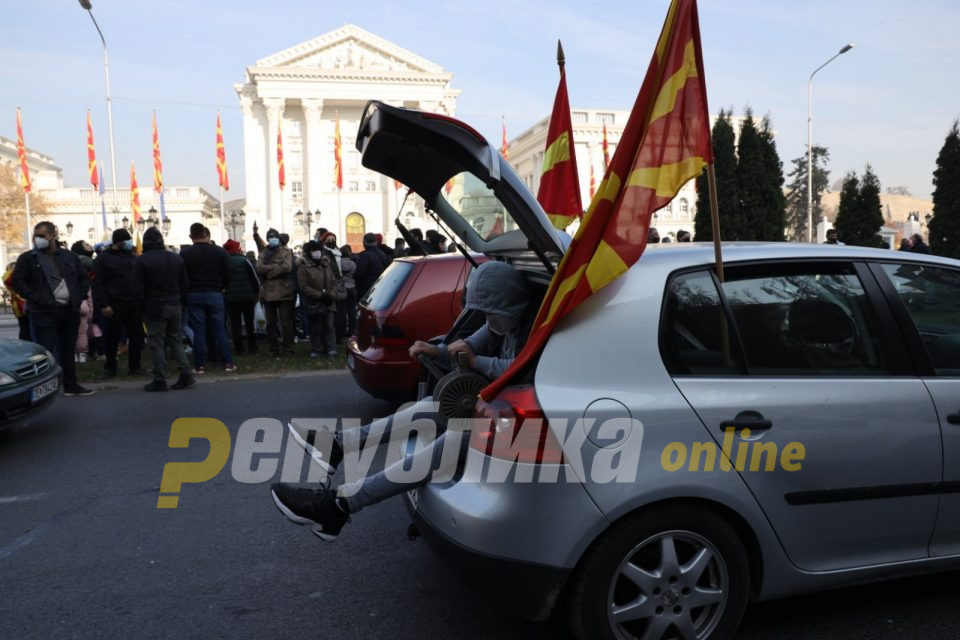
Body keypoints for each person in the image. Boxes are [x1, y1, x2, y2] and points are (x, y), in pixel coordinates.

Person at [271, 260, 531, 541]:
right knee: (431, 405)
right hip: (493, 409)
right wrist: (435, 351)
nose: (488, 319)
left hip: (512, 425)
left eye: (491, 312)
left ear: (507, 303)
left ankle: (339, 505)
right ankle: (339, 444)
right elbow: (466, 349)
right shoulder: (500, 321)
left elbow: (519, 366)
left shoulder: (533, 328)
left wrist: (476, 360)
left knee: (458, 435)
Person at [11, 221, 94, 396]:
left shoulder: (69, 257)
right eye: (35, 236)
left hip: (69, 311)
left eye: (41, 236)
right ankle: (44, 389)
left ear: (53, 236)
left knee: (67, 349)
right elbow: (17, 281)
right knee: (44, 351)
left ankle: (71, 385)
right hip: (42, 312)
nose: (37, 240)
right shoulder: (28, 258)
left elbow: (83, 278)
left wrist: (78, 296)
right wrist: (36, 297)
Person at [135, 227, 194, 392]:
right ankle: (185, 372)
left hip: (154, 306)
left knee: (156, 343)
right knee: (175, 339)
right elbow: (185, 284)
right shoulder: (176, 258)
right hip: (175, 304)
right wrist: (180, 302)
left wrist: (142, 308)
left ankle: (160, 378)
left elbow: (138, 289)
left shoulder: (142, 260)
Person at [181, 223, 234, 374]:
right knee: (219, 329)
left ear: (191, 236)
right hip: (215, 293)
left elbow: (182, 276)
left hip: (194, 293)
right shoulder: (220, 252)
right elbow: (229, 273)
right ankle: (228, 363)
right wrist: (223, 287)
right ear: (206, 234)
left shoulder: (185, 253)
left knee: (198, 331)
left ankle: (199, 365)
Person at [92, 229, 143, 377]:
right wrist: (104, 304)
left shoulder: (132, 257)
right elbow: (97, 284)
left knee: (136, 336)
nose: (129, 243)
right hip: (113, 305)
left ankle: (135, 367)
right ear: (119, 242)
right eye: (127, 241)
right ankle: (110, 367)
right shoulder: (103, 259)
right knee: (112, 338)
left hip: (132, 304)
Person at [257, 227, 296, 358]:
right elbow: (259, 267)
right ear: (268, 239)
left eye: (274, 237)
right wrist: (276, 268)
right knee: (271, 323)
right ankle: (273, 349)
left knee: (286, 323)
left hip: (284, 291)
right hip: (268, 293)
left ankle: (288, 348)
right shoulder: (263, 252)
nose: (272, 239)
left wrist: (270, 272)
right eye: (270, 237)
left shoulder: (286, 252)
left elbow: (287, 267)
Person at [297, 241, 338, 358]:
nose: (317, 253)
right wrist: (319, 296)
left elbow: (334, 282)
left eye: (319, 250)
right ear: (309, 252)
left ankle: (331, 349)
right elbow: (303, 286)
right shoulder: (303, 267)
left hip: (329, 301)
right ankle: (317, 349)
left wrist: (331, 295)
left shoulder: (326, 264)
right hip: (314, 302)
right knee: (316, 327)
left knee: (329, 326)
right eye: (314, 251)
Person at [223, 239, 260, 355]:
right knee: (249, 323)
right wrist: (257, 292)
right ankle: (252, 346)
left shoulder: (225, 262)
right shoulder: (245, 260)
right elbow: (254, 278)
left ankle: (239, 348)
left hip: (231, 299)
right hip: (248, 297)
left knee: (235, 324)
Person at [354, 232, 389, 299]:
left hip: (366, 289)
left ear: (364, 242)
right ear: (376, 242)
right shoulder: (383, 254)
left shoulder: (365, 256)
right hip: (379, 287)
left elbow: (359, 274)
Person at [3, 262, 30, 341]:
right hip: (20, 304)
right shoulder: (9, 278)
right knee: (25, 327)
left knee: (25, 327)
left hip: (20, 304)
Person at [339, 245, 358, 337]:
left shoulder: (338, 264)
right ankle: (352, 330)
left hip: (342, 288)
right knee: (352, 311)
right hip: (352, 287)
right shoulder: (353, 264)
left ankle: (342, 331)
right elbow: (355, 274)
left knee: (342, 311)